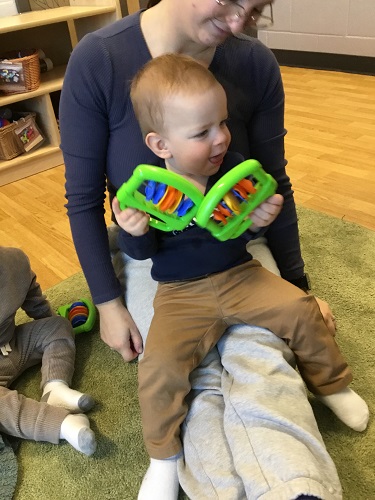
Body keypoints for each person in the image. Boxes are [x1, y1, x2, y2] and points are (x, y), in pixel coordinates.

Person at [59, 1, 345, 498]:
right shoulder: (98, 61)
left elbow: (274, 181)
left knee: (264, 353)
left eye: (256, 8)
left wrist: (298, 284)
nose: (239, 23)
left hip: (239, 255)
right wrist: (107, 302)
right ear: (159, 143)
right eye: (231, 1)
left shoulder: (253, 64)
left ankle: (297, 484)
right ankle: (179, 466)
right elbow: (83, 202)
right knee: (182, 373)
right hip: (163, 270)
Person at [112, 53, 369, 499]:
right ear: (160, 146)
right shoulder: (149, 192)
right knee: (157, 367)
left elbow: (245, 229)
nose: (220, 139)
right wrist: (131, 233)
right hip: (179, 293)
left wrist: (261, 220)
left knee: (301, 310)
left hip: (240, 274)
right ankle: (163, 457)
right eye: (202, 132)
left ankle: (331, 383)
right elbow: (143, 252)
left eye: (222, 124)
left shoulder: (233, 167)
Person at [0, 246, 97, 456]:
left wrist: (49, 319)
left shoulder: (13, 260)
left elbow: (33, 297)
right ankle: (62, 425)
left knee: (58, 325)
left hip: (14, 343)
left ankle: (55, 388)